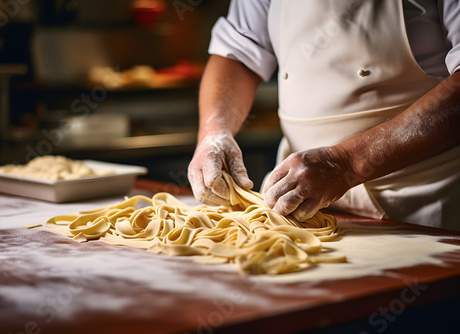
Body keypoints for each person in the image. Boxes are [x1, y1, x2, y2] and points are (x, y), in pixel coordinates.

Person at [188, 0, 460, 231]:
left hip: (421, 202)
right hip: (296, 202)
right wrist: (214, 132)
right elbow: (238, 53)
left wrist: (345, 164)